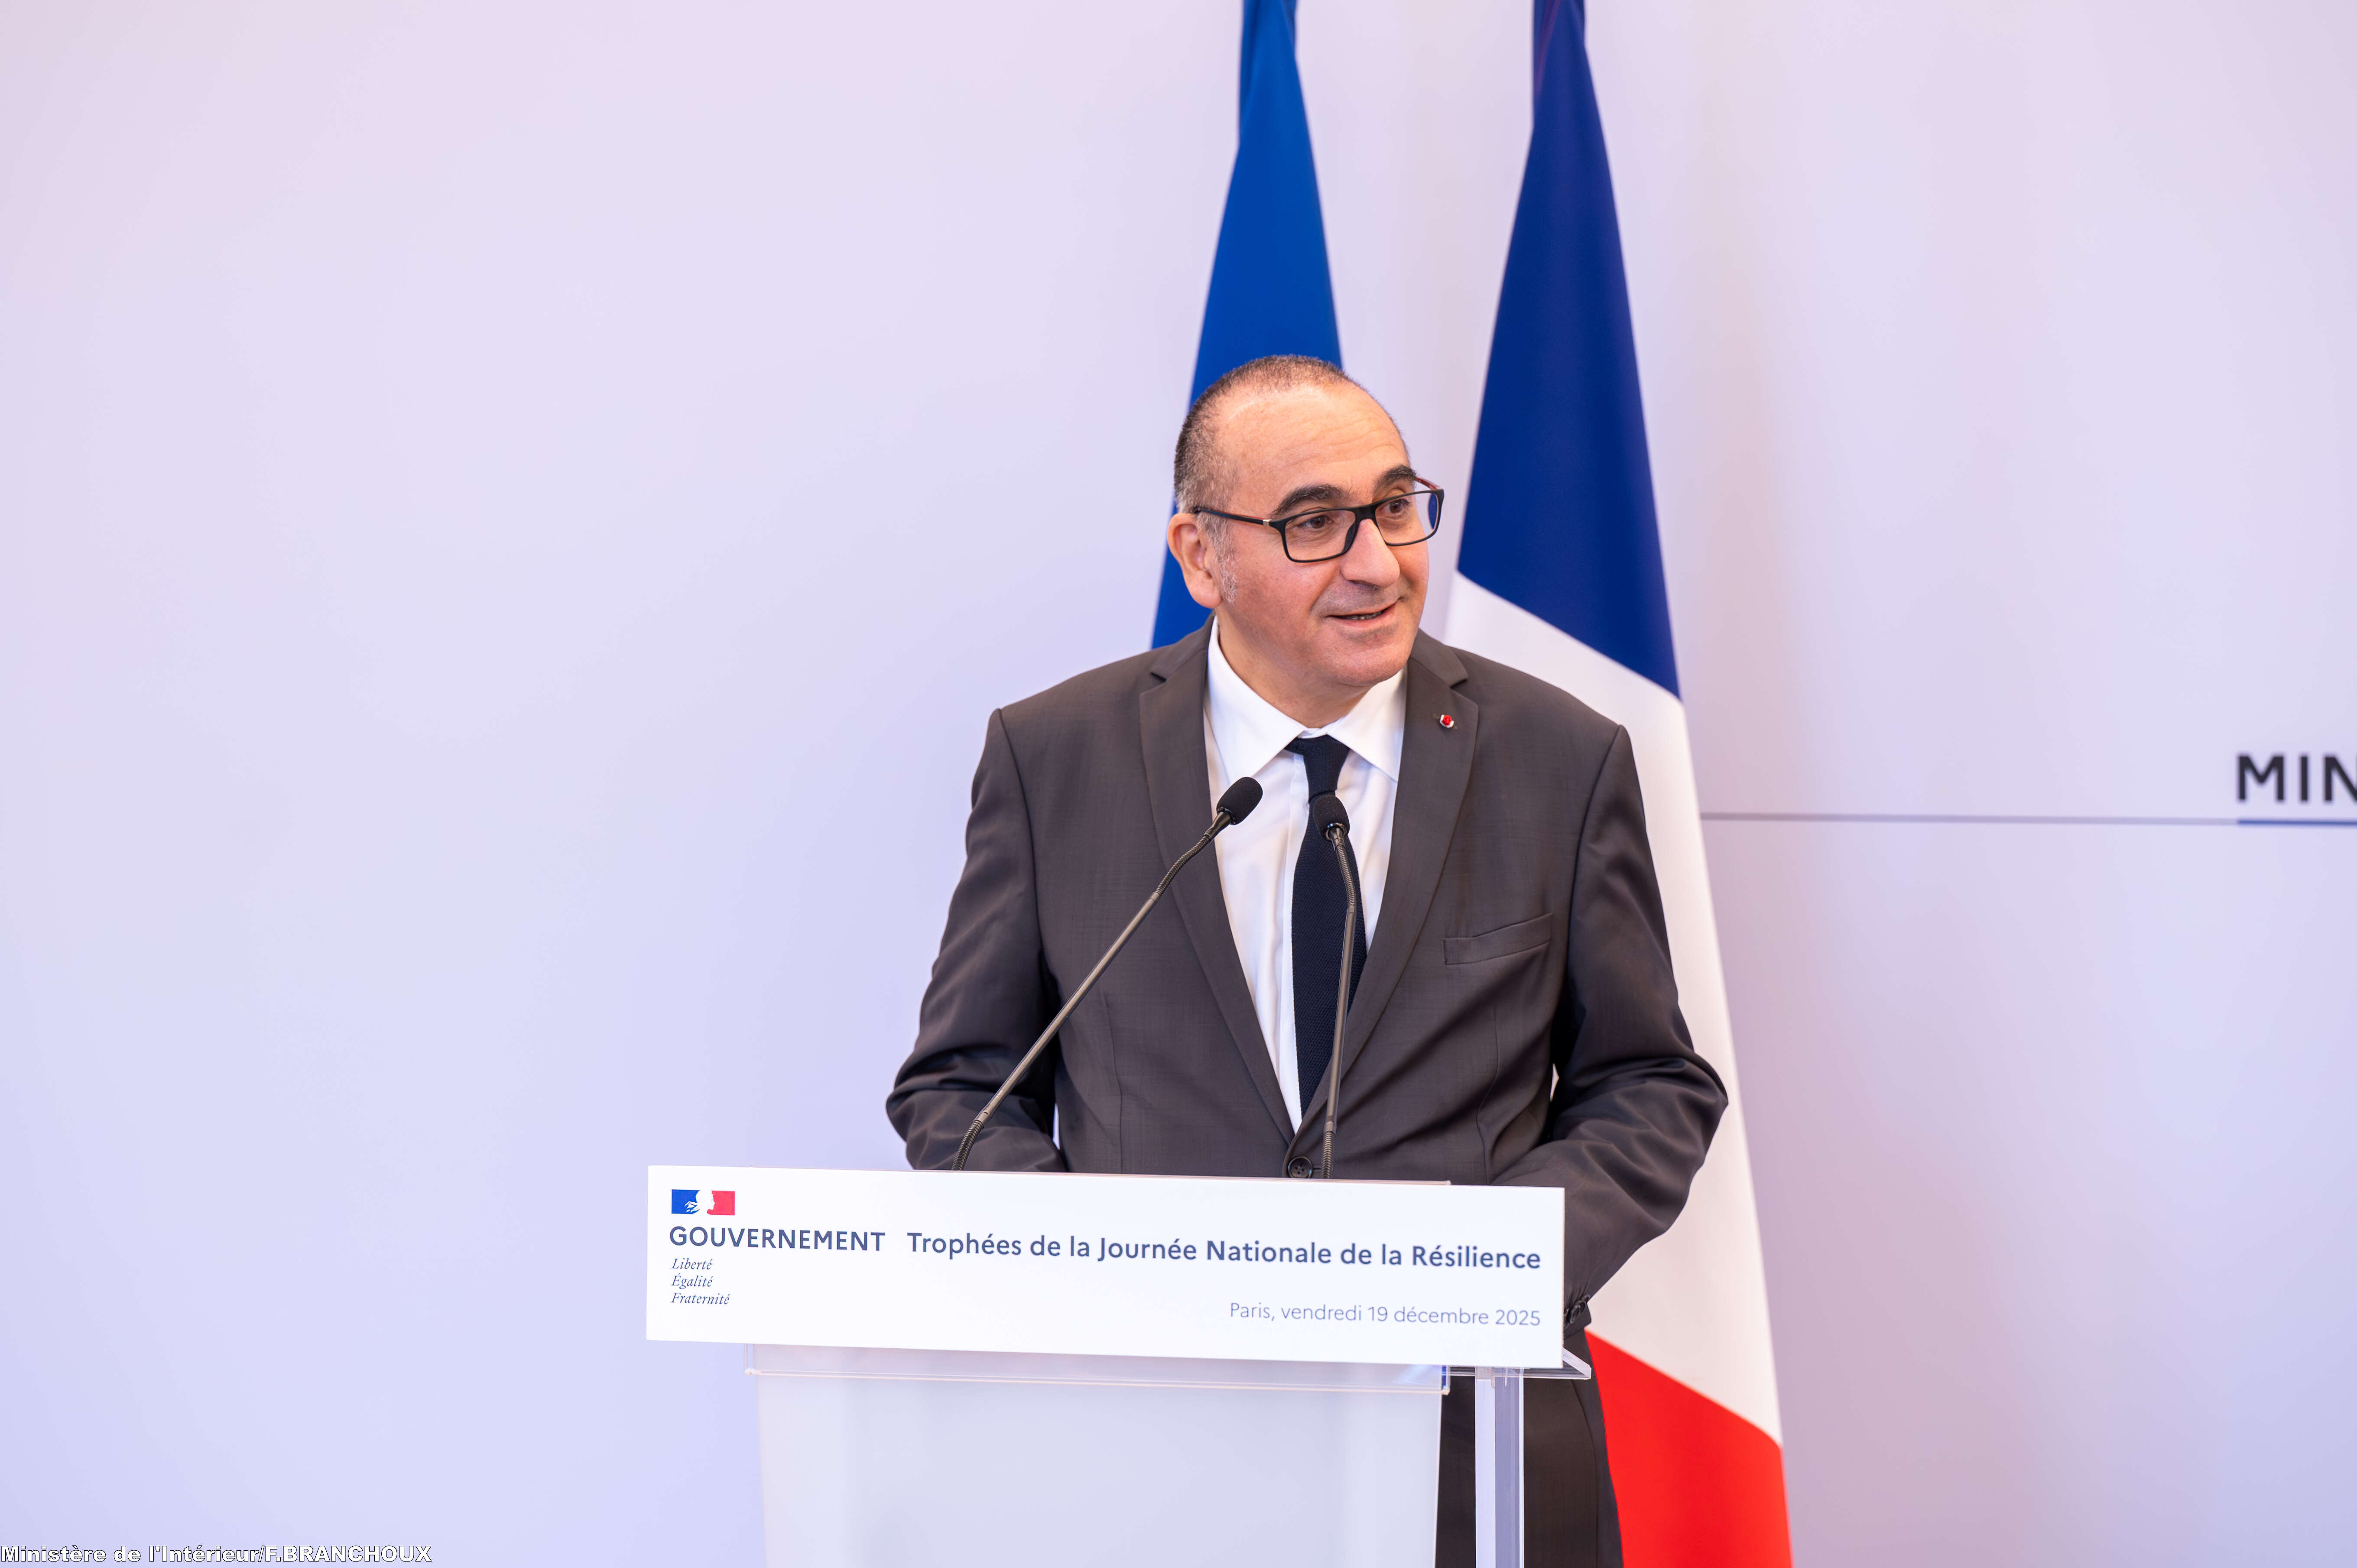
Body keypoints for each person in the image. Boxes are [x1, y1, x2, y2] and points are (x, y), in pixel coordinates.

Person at [886, 354, 1725, 1568]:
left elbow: (1650, 1084)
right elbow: (962, 1088)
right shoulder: (1055, 756)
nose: (1379, 563)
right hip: (1147, 1451)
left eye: (1395, 507)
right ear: (1201, 555)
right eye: (1316, 523)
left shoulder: (1560, 756)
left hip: (1472, 1451)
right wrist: (1098, 1273)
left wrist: (1489, 1269)